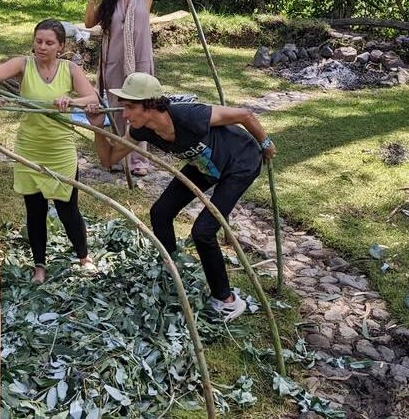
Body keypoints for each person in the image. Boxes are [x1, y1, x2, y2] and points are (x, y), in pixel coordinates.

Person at [90, 72, 276, 321]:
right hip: (203, 165)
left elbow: (245, 115)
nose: (125, 115)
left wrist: (265, 143)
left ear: (151, 105)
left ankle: (227, 300)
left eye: (131, 107)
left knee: (203, 231)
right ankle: (170, 270)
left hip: (240, 162)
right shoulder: (141, 130)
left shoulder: (190, 115)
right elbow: (108, 159)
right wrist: (97, 127)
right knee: (160, 212)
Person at [0, 19, 100, 283]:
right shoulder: (24, 64)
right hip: (29, 149)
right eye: (38, 41)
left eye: (49, 43)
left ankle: (84, 256)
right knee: (35, 211)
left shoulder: (70, 69)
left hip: (60, 150)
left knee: (68, 209)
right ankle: (39, 266)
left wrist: (72, 100)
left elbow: (92, 99)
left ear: (61, 46)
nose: (42, 47)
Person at [85, 0, 166, 177]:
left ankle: (139, 159)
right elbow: (89, 23)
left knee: (139, 108)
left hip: (139, 60)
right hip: (113, 61)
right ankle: (120, 156)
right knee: (118, 108)